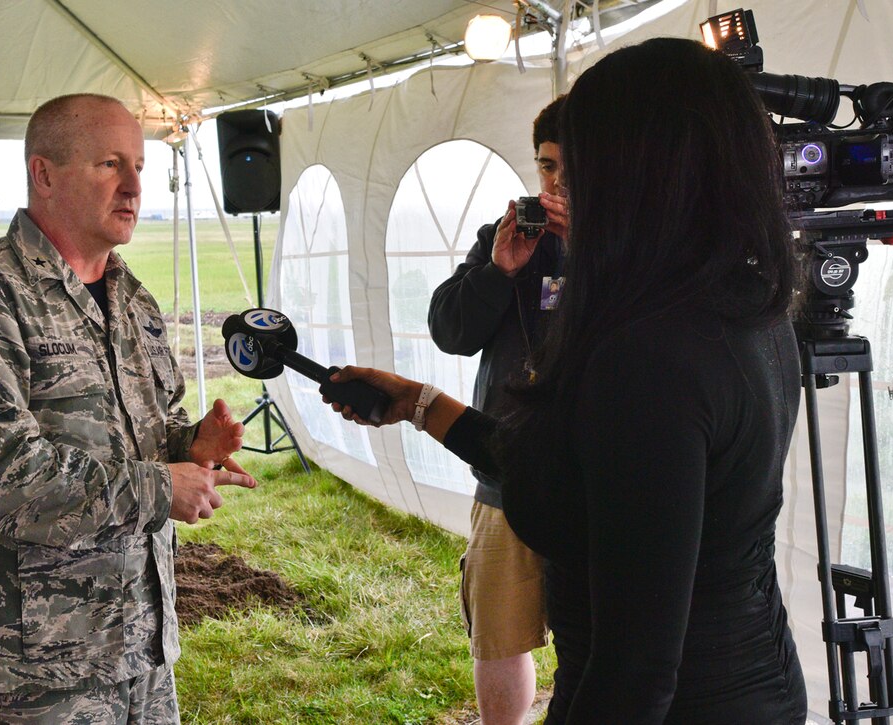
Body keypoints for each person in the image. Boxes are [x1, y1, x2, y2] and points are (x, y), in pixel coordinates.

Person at [326, 37, 807, 724]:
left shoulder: (650, 358)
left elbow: (636, 670)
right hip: (756, 686)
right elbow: (585, 476)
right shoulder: (746, 309)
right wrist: (416, 402)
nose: (560, 193)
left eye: (581, 170)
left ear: (643, 175)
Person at [0, 93, 256, 723]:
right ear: (44, 174)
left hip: (141, 657)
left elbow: (141, 435)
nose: (132, 187)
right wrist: (157, 487)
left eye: (140, 168)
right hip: (26, 676)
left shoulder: (132, 300)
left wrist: (189, 447)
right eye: (109, 165)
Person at [426, 96, 567, 725]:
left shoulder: (633, 242)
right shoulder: (508, 234)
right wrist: (499, 271)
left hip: (599, 478)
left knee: (597, 637)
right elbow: (450, 329)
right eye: (545, 167)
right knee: (500, 629)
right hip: (505, 468)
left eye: (571, 169)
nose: (555, 184)